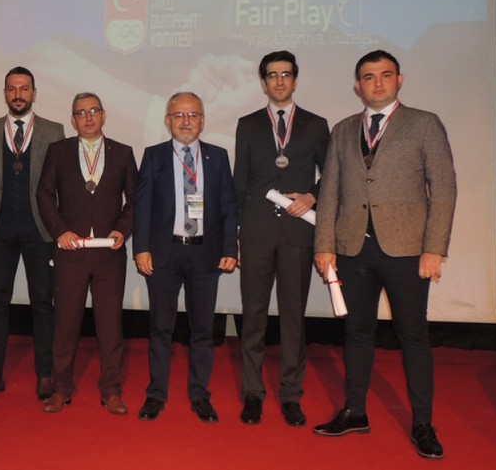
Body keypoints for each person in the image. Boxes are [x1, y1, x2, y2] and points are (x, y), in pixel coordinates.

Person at [313, 50, 457, 460]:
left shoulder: (424, 123)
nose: (377, 83)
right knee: (357, 332)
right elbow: (330, 192)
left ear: (399, 80)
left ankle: (423, 423)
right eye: (368, 77)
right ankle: (354, 411)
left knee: (413, 335)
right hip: (353, 249)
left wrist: (434, 249)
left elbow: (444, 188)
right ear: (357, 86)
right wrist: (324, 244)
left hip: (407, 251)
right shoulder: (343, 130)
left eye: (385, 75)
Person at [233, 51, 329, 427]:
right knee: (253, 317)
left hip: (297, 232)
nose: (279, 81)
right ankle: (252, 393)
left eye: (285, 74)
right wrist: (235, 235)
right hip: (256, 233)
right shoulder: (248, 124)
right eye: (272, 75)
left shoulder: (316, 125)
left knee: (293, 318)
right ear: (263, 82)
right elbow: (240, 181)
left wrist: (312, 197)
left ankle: (291, 395)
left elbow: (332, 174)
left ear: (295, 79)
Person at [132, 91, 238, 424]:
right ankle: (156, 394)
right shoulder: (154, 156)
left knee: (202, 329)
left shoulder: (218, 157)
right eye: (179, 115)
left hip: (206, 254)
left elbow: (228, 205)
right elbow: (142, 205)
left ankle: (200, 395)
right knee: (160, 327)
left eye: (193, 115)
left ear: (202, 121)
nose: (186, 121)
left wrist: (230, 249)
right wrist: (141, 248)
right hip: (165, 253)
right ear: (168, 121)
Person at [35, 92, 138, 415]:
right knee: (66, 324)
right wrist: (60, 231)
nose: (88, 117)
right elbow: (44, 194)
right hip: (71, 252)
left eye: (94, 111)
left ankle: (111, 390)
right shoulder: (58, 151)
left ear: (104, 115)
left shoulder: (123, 153)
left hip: (109, 253)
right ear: (73, 120)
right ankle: (61, 388)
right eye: (81, 112)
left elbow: (135, 199)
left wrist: (122, 229)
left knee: (110, 326)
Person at [0, 66, 66, 401]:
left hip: (39, 230)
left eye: (24, 88)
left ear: (34, 93)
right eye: (12, 89)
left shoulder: (54, 131)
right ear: (5, 94)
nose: (18, 95)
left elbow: (60, 186)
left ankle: (45, 375)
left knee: (43, 303)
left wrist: (59, 230)